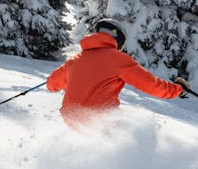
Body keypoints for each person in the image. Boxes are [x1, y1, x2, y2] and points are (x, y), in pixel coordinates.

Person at [46, 18, 189, 129]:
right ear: (119, 41)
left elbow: (51, 84)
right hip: (100, 122)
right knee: (135, 135)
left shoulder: (74, 61)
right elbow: (152, 85)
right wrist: (178, 89)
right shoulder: (119, 60)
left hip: (71, 121)